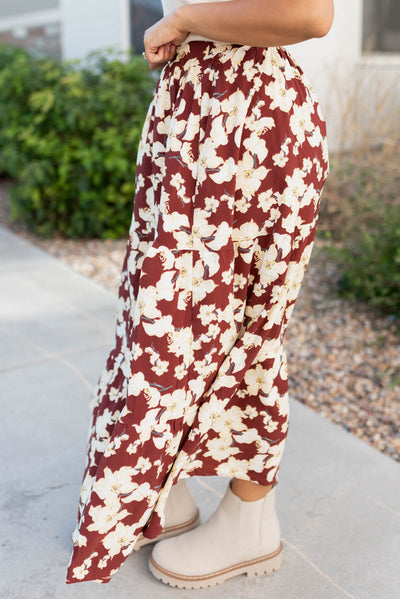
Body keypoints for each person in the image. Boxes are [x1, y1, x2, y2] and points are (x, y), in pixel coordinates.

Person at [65, 0, 334, 589]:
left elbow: (310, 14)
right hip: (193, 116)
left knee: (246, 325)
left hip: (249, 124)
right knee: (163, 316)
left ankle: (250, 517)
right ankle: (167, 492)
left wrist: (182, 22)